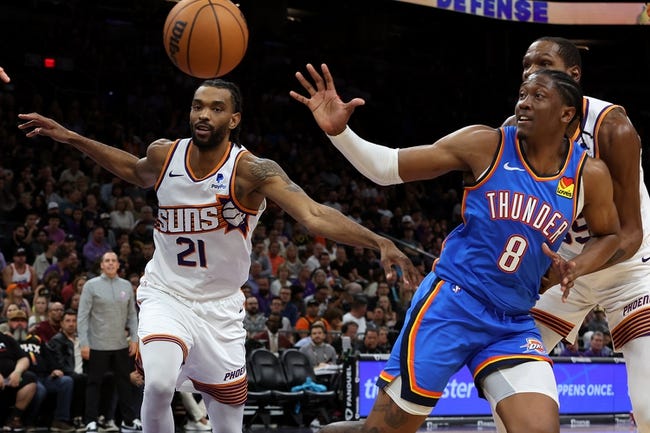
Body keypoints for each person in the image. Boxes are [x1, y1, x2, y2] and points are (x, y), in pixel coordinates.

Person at [18, 78, 417, 433]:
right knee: (157, 384)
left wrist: (377, 240)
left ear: (234, 119)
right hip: (165, 294)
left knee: (227, 423)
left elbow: (312, 214)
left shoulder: (253, 171)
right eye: (197, 105)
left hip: (221, 309)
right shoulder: (164, 155)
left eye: (216, 108)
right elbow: (133, 169)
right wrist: (71, 136)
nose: (203, 114)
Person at [291, 64, 620, 433]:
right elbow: (387, 168)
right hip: (451, 307)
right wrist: (341, 133)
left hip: (512, 322)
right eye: (523, 95)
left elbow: (609, 235)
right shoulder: (487, 144)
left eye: (538, 97)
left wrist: (579, 265)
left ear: (567, 114)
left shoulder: (589, 174)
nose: (524, 103)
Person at [506, 36, 650, 433]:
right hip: (566, 273)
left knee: (648, 404)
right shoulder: (516, 131)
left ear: (573, 76)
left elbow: (630, 234)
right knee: (508, 382)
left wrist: (572, 268)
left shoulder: (612, 127)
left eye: (544, 64)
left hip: (629, 271)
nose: (533, 72)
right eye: (526, 65)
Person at [77, 252, 140, 432]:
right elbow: (82, 317)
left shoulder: (126, 285)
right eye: (107, 261)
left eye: (114, 261)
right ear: (101, 265)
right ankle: (90, 420)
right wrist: (84, 343)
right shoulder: (91, 286)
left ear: (118, 265)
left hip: (120, 343)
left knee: (124, 384)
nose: (111, 264)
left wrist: (134, 339)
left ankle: (129, 420)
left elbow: (132, 316)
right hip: (97, 345)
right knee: (94, 384)